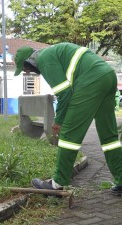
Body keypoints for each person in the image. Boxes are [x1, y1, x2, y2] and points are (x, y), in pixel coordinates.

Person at [14, 42, 122, 195]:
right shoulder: (53, 52)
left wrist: (58, 121)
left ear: (29, 61)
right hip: (108, 76)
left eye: (25, 68)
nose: (27, 72)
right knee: (109, 135)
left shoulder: (44, 59)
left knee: (69, 135)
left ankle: (58, 183)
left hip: (91, 80)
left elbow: (64, 93)